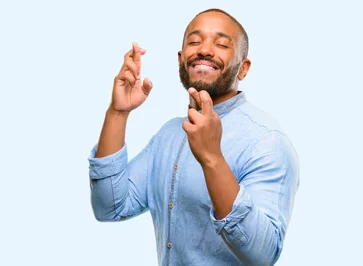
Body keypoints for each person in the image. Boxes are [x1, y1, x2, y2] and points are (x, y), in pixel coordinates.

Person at [87, 8, 300, 266]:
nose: (204, 50)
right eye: (195, 41)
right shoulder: (168, 135)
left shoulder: (267, 141)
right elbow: (110, 207)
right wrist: (118, 113)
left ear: (243, 69)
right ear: (180, 60)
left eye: (221, 44)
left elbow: (262, 256)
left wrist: (212, 159)